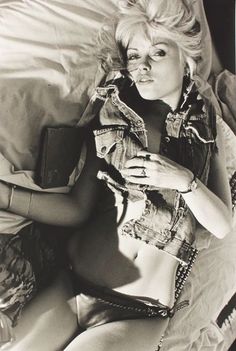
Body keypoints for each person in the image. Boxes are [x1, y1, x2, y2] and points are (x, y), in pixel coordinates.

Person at [0, 0, 233, 350]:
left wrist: (183, 180)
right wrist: (5, 196)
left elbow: (222, 225)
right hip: (71, 285)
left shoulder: (204, 130)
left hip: (137, 311)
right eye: (134, 55)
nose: (142, 65)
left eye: (158, 53)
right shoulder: (112, 116)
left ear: (186, 59)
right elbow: (77, 208)